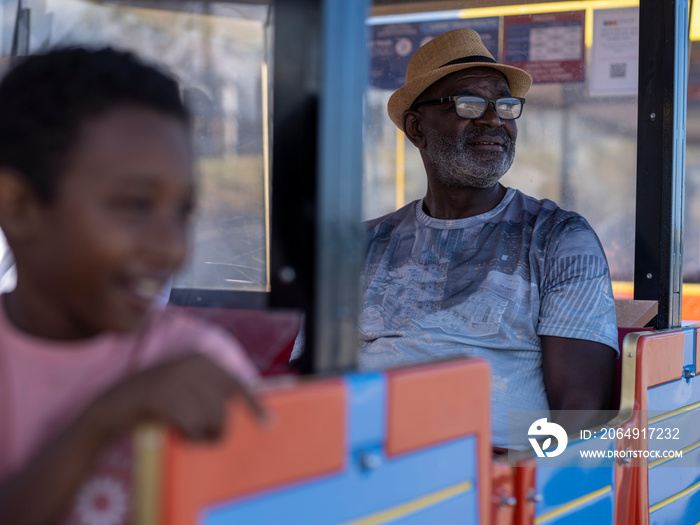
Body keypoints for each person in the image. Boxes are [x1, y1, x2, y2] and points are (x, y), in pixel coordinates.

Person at [0, 47, 265, 524]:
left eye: (182, 213)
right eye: (136, 205)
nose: (171, 249)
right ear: (17, 206)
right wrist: (100, 420)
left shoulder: (197, 365)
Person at [360, 29, 618, 449]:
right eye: (469, 103)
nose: (494, 119)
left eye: (504, 105)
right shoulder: (365, 244)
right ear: (416, 127)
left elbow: (579, 413)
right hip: (354, 468)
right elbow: (311, 380)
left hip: (489, 483)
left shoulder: (558, 240)